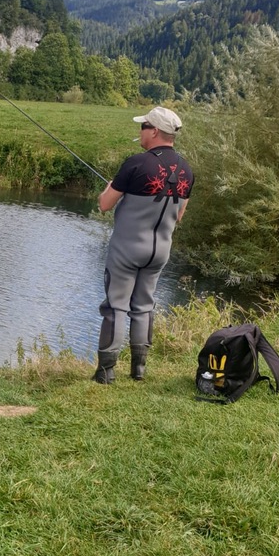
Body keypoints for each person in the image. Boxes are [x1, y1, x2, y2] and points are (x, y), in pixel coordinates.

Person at [94, 105, 194, 384]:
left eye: (143, 127)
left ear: (154, 131)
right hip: (160, 251)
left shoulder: (136, 163)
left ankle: (106, 371)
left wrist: (110, 187)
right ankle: (138, 369)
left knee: (116, 306)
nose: (140, 132)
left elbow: (104, 205)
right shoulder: (186, 170)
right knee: (144, 305)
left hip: (127, 249)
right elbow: (179, 216)